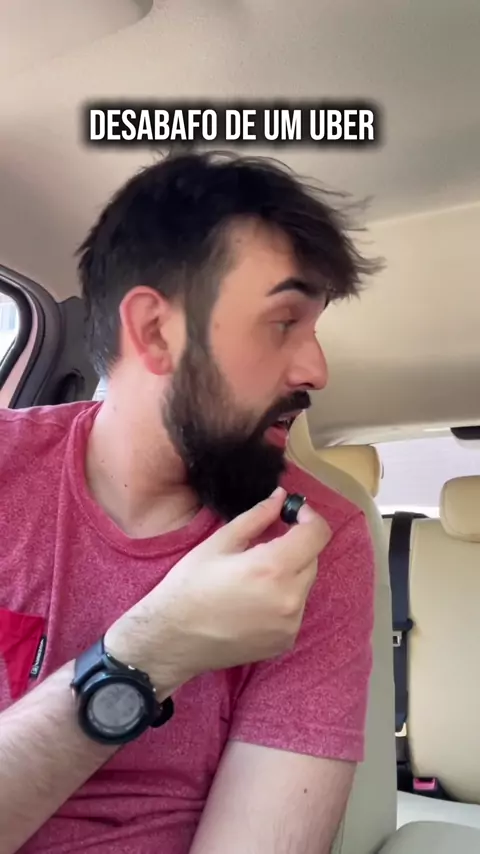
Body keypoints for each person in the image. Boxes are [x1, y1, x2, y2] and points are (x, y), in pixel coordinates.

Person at [0, 150, 382, 854]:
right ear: (154, 332)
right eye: (283, 322)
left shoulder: (312, 543)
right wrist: (149, 654)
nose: (317, 369)